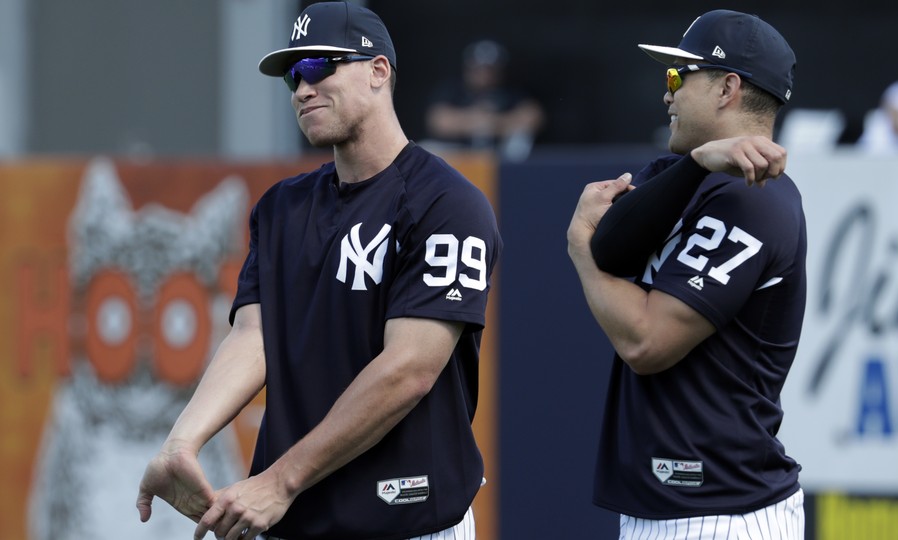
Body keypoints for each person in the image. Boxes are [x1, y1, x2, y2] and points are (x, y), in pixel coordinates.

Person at [135, 3, 502, 540]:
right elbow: (255, 336)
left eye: (319, 67)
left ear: (378, 71)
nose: (301, 88)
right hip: (294, 519)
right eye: (292, 74)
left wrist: (280, 480)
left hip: (409, 519)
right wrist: (181, 443)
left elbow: (410, 368)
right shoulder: (281, 206)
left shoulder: (447, 202)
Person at [566, 10, 807, 539]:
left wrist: (578, 251)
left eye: (678, 77)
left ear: (728, 89)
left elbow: (646, 343)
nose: (666, 94)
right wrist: (697, 163)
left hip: (722, 511)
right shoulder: (681, 176)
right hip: (670, 508)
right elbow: (614, 250)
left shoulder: (754, 198)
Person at [424, 39, 544, 161]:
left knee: (520, 142)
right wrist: (474, 120)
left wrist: (493, 122)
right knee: (427, 147)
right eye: (478, 69)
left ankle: (513, 178)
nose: (483, 74)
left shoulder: (510, 92)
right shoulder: (453, 90)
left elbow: (533, 118)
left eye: (489, 69)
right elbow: (438, 121)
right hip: (461, 152)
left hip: (498, 153)